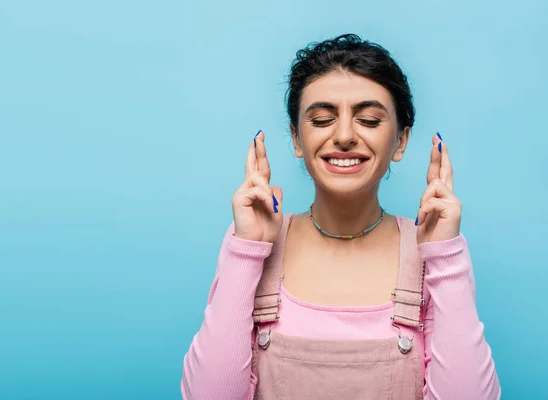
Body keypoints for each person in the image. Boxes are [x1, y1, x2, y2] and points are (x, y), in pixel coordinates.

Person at [181, 33, 500, 399]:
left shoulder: (433, 252)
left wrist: (445, 254)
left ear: (400, 141)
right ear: (297, 139)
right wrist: (246, 250)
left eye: (368, 119)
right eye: (320, 120)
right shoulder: (252, 243)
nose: (345, 136)